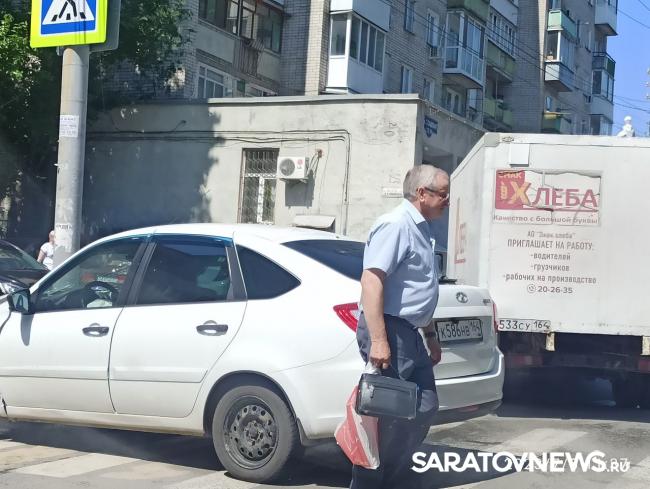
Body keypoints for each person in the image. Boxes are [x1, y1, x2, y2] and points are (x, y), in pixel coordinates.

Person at [351, 165, 449, 489]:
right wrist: (379, 340)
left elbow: (417, 288)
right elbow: (372, 280)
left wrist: (430, 335)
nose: (447, 201)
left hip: (410, 333)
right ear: (422, 193)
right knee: (386, 415)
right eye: (443, 194)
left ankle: (390, 477)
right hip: (391, 331)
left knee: (425, 405)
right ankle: (370, 482)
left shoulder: (421, 229)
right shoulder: (396, 225)